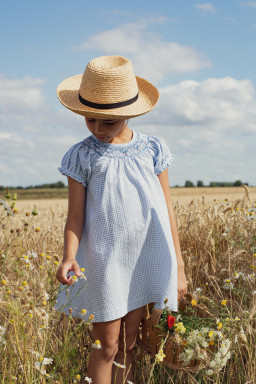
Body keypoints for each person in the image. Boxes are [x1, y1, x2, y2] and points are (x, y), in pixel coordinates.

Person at [54, 55, 188, 384]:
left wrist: (180, 267)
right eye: (89, 120)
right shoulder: (81, 155)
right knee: (106, 346)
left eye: (108, 122)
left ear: (128, 112)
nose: (98, 129)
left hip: (148, 256)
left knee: (129, 344)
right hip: (106, 260)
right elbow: (75, 216)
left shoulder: (153, 149)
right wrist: (69, 256)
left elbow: (166, 208)